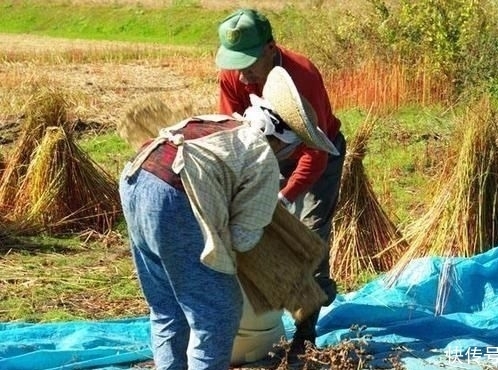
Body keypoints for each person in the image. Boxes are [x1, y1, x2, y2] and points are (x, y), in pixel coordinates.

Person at [118, 67, 336, 370]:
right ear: (283, 139)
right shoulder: (262, 156)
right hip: (173, 198)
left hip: (133, 181)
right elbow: (242, 238)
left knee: (168, 307)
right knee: (216, 314)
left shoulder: (220, 122)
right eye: (295, 145)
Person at [214, 8, 347, 356]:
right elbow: (233, 134)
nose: (243, 79)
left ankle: (306, 333)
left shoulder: (302, 76)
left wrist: (285, 196)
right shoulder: (234, 74)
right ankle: (247, 319)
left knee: (308, 232)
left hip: (316, 155)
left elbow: (314, 153)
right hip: (266, 150)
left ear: (271, 48)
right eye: (236, 65)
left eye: (250, 65)